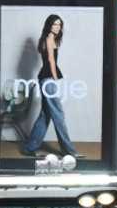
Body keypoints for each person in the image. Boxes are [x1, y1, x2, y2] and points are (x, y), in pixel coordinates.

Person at [23, 14, 78, 158]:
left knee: (45, 115)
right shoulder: (49, 38)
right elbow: (51, 60)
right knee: (58, 114)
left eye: (59, 24)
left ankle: (29, 147)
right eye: (55, 24)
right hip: (48, 79)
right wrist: (55, 78)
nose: (58, 27)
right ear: (49, 25)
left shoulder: (47, 38)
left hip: (44, 78)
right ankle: (69, 150)